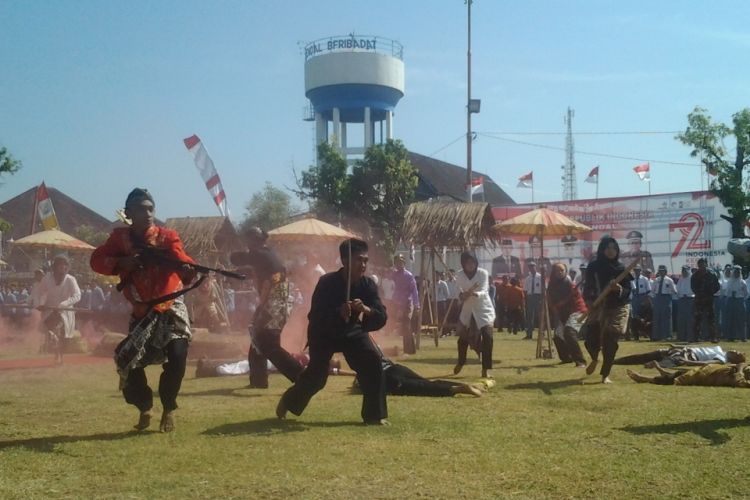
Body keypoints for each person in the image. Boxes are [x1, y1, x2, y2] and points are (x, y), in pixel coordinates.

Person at [90, 188, 198, 433]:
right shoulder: (119, 240)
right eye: (141, 209)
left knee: (178, 356)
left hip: (171, 307)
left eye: (151, 208)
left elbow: (185, 262)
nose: (148, 213)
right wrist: (121, 263)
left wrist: (189, 268)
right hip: (142, 311)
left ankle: (169, 407)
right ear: (129, 213)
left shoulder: (168, 237)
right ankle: (145, 407)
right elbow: (96, 260)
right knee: (129, 361)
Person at [276, 238, 389, 425]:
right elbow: (315, 315)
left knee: (372, 361)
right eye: (359, 260)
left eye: (365, 261)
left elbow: (380, 315)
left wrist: (365, 310)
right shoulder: (326, 282)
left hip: (351, 331)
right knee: (317, 377)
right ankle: (289, 401)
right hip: (324, 332)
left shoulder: (368, 285)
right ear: (345, 261)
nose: (363, 265)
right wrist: (338, 311)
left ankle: (374, 415)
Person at [229, 227, 302, 388]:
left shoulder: (258, 254)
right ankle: (258, 380)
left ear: (253, 240)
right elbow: (255, 271)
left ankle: (301, 376)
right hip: (276, 303)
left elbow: (235, 258)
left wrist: (236, 253)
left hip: (274, 304)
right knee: (257, 337)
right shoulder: (267, 254)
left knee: (268, 344)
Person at [582, 235, 633, 384]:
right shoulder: (594, 267)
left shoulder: (622, 269)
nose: (611, 251)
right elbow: (588, 287)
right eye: (608, 248)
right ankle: (594, 358)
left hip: (618, 306)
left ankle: (605, 374)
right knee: (591, 336)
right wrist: (591, 300)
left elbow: (628, 290)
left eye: (614, 248)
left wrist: (619, 289)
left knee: (610, 338)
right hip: (598, 306)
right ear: (602, 249)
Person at [453, 252, 496, 379]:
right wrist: (462, 295)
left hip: (483, 310)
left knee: (488, 337)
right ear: (464, 264)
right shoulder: (459, 274)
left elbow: (484, 290)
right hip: (468, 310)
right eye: (467, 263)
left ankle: (486, 368)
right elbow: (457, 291)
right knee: (462, 339)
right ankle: (461, 362)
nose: (470, 265)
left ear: (476, 263)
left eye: (472, 262)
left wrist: (473, 294)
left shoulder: (482, 273)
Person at [36, 255, 82, 364]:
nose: (63, 268)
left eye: (65, 265)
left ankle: (60, 355)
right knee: (53, 331)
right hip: (50, 311)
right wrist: (41, 303)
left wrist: (64, 304)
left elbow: (77, 295)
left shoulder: (71, 279)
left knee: (63, 337)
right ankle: (55, 348)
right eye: (61, 265)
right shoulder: (47, 278)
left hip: (65, 312)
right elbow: (40, 292)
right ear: (55, 267)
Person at [547, 263, 587, 367]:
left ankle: (580, 361)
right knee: (558, 335)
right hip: (564, 314)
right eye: (557, 271)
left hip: (577, 311)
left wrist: (561, 303)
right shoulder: (552, 285)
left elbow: (572, 301)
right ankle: (566, 358)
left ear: (565, 271)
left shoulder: (569, 284)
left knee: (569, 332)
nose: (560, 272)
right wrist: (554, 307)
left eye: (562, 270)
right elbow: (551, 301)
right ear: (553, 272)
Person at [626, 362, 750, 388]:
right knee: (681, 373)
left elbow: (740, 384)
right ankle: (657, 370)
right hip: (713, 368)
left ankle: (643, 378)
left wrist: (739, 375)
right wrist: (739, 370)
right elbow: (742, 363)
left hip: (711, 376)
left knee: (679, 379)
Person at [390, 254, 420, 354]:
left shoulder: (408, 275)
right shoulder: (393, 275)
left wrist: (416, 305)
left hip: (407, 303)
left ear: (404, 263)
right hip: (396, 303)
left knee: (406, 325)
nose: (399, 264)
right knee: (399, 325)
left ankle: (409, 350)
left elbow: (414, 291)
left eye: (401, 262)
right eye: (397, 262)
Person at [614, 345, 745, 367]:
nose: (736, 350)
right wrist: (680, 347)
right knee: (649, 355)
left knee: (657, 361)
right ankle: (615, 361)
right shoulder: (719, 349)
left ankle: (656, 365)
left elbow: (706, 364)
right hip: (685, 350)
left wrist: (688, 362)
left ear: (734, 359)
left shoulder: (723, 359)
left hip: (691, 357)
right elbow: (699, 347)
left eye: (738, 353)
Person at [691, 258, 721, 342]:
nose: (702, 266)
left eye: (703, 264)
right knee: (697, 319)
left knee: (711, 319)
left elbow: (717, 286)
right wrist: (700, 293)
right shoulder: (695, 276)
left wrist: (710, 293)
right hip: (699, 300)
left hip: (709, 299)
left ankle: (713, 337)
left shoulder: (711, 274)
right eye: (700, 264)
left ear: (706, 265)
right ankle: (696, 337)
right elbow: (693, 287)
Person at [651, 265, 676, 341]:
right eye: (660, 271)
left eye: (663, 271)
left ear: (665, 272)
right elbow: (653, 290)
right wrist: (654, 299)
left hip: (666, 298)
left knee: (666, 317)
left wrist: (668, 294)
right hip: (657, 298)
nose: (661, 272)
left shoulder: (669, 280)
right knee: (657, 317)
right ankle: (656, 336)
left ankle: (667, 335)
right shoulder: (656, 280)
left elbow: (674, 291)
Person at [722, 265, 747, 341]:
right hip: (730, 301)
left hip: (739, 301)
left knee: (741, 320)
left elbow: (746, 293)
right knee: (730, 319)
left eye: (738, 272)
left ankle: (742, 337)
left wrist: (740, 298)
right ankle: (730, 337)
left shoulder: (742, 282)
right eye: (735, 272)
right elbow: (726, 292)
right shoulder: (729, 281)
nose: (737, 273)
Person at [675, 265, 695, 342]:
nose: (684, 272)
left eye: (685, 270)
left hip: (690, 299)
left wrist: (688, 294)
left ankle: (690, 336)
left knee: (690, 319)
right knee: (681, 319)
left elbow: (694, 289)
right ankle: (681, 336)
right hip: (682, 299)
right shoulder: (681, 279)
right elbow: (677, 289)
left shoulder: (692, 278)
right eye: (683, 270)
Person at [523, 261, 542, 339]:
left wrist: (542, 298)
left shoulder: (540, 277)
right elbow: (525, 290)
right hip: (530, 297)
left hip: (538, 297)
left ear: (535, 267)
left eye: (533, 266)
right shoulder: (528, 278)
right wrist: (526, 299)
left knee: (539, 316)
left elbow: (544, 289)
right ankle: (529, 334)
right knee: (529, 316)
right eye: (530, 267)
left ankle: (541, 334)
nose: (531, 268)